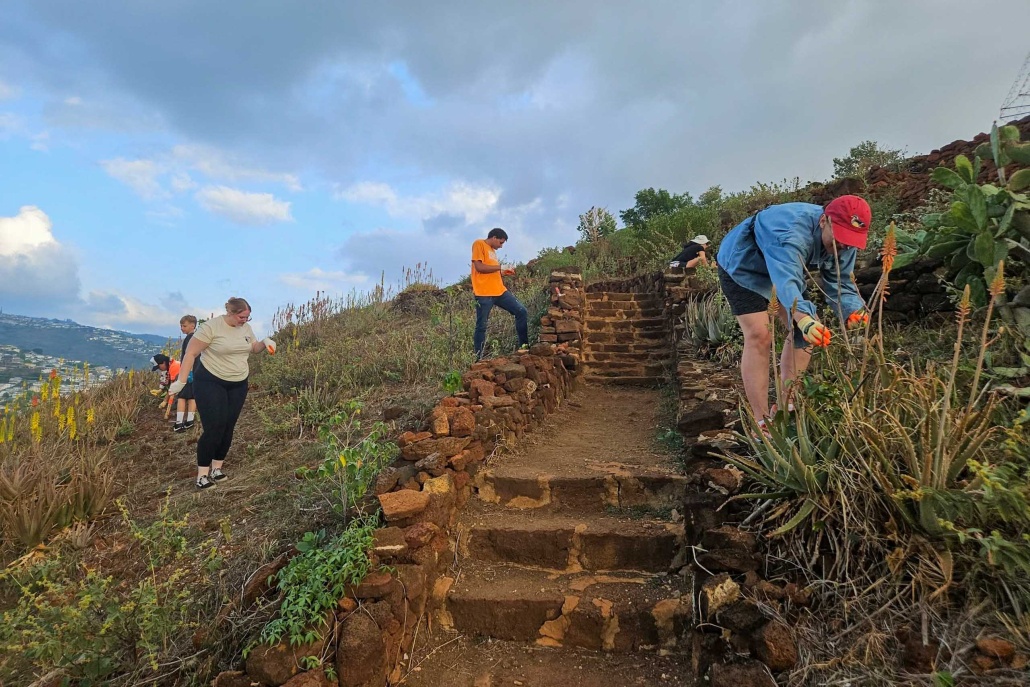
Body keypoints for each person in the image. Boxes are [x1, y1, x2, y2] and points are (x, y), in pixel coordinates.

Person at [716, 195, 872, 431]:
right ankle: (761, 422)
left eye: (851, 241)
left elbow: (840, 280)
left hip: (785, 268)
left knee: (807, 332)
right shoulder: (790, 234)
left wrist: (852, 311)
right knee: (759, 334)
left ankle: (785, 404)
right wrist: (803, 318)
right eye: (840, 238)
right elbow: (787, 281)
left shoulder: (846, 241)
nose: (845, 246)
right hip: (742, 264)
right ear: (824, 221)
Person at [168, 297, 275, 489]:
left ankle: (217, 469)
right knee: (214, 427)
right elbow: (191, 354)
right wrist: (181, 382)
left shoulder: (245, 328)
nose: (245, 320)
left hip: (238, 383)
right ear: (231, 313)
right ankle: (202, 475)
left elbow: (253, 348)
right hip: (210, 381)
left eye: (248, 317)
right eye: (242, 317)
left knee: (228, 426)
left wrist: (265, 342)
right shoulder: (211, 327)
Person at [471, 227, 529, 360]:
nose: (501, 246)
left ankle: (524, 348)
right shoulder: (479, 244)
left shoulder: (492, 251)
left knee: (521, 311)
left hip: (499, 290)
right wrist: (500, 267)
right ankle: (478, 359)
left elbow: (490, 271)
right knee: (481, 326)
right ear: (494, 238)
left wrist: (503, 272)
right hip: (484, 292)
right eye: (500, 242)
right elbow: (479, 267)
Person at [173, 315, 199, 433]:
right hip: (196, 372)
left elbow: (188, 356)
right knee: (192, 396)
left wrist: (186, 372)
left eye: (184, 326)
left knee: (182, 397)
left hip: (188, 372)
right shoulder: (198, 338)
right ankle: (190, 420)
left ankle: (179, 423)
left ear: (192, 326)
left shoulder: (189, 339)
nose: (182, 328)